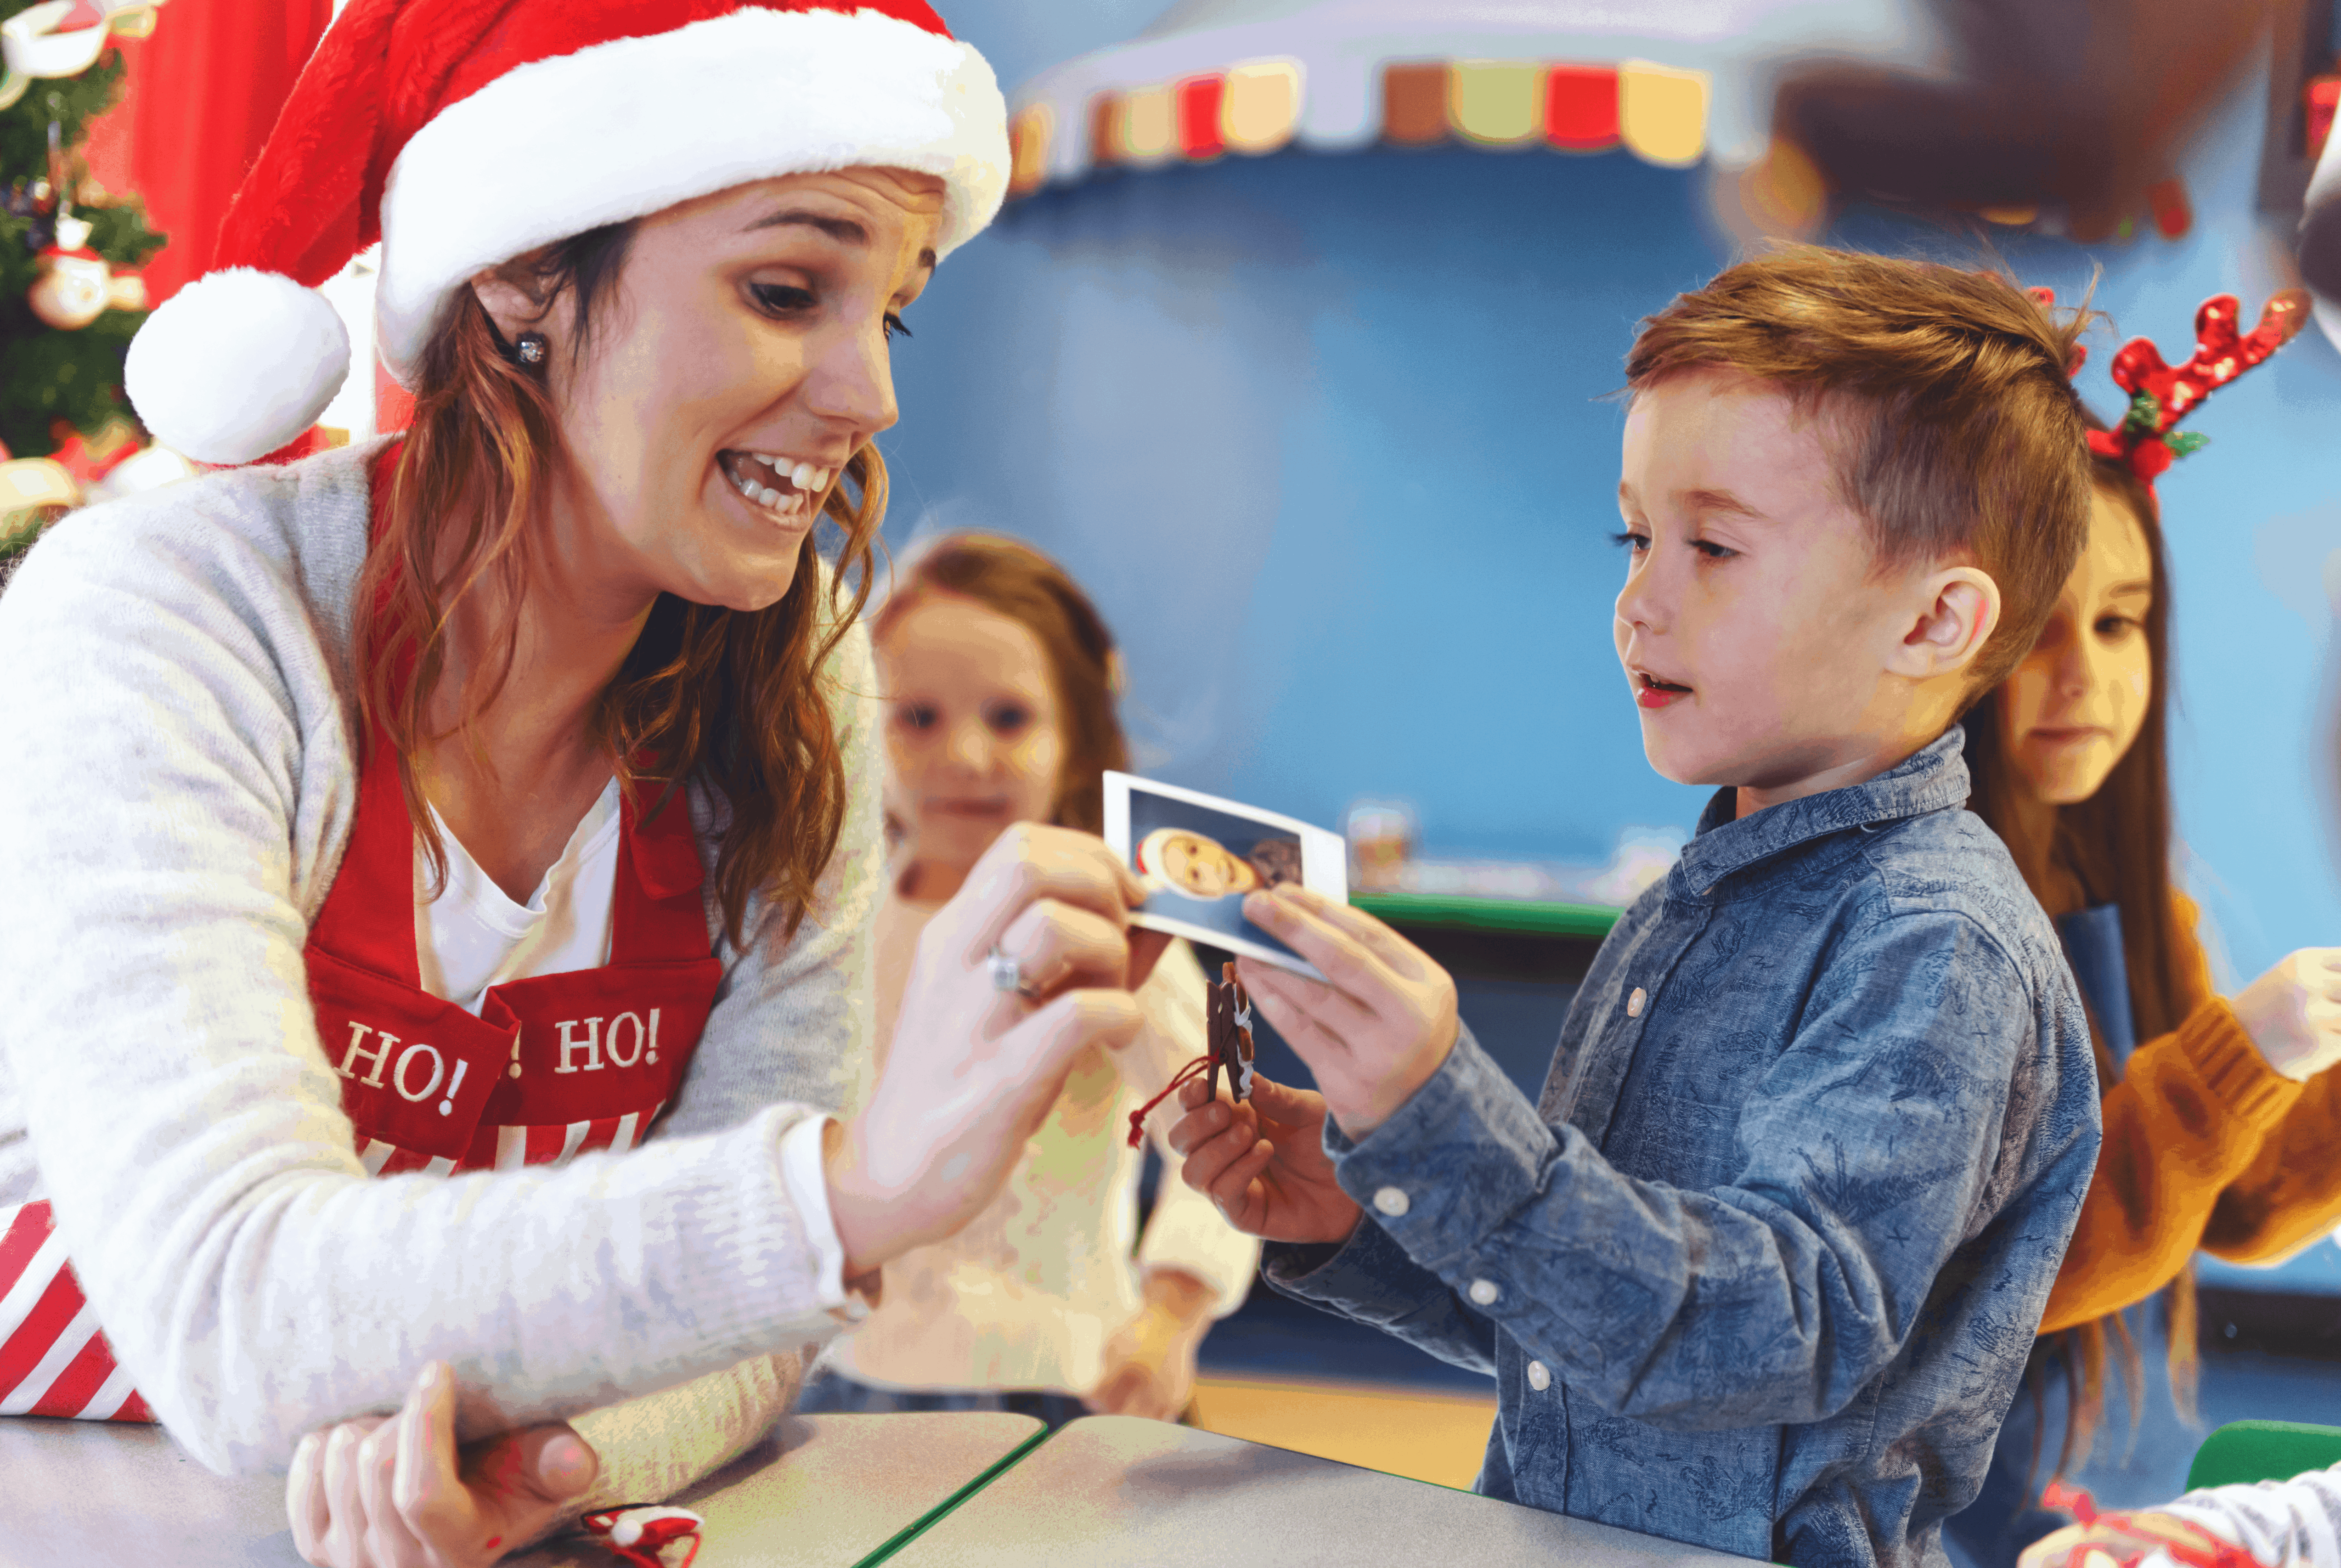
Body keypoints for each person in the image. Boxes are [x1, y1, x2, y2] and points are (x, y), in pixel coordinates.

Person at [0, 4, 1160, 1564]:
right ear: (521, 273)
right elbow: (230, 1308)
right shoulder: (172, 613)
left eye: (889, 313)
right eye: (782, 289)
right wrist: (848, 1194)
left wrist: (553, 1459)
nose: (868, 395)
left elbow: (746, 1328)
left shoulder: (798, 669)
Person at [1170, 248, 2106, 1568]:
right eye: (1638, 535)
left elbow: (1764, 1337)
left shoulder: (1935, 944)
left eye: (1714, 546)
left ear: (1936, 619)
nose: (1640, 599)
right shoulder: (1691, 900)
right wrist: (1367, 1206)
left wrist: (1452, 1127)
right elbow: (1598, 1339)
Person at [1941, 291, 2341, 1568]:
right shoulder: (1929, 923)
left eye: (2120, 623)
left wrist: (2302, 1068)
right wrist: (2236, 1056)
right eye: (2036, 631)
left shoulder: (2132, 897)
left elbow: (2228, 1205)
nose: (2089, 676)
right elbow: (1982, 1282)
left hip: (2053, 1473)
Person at [795, 532, 1258, 1428]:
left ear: (1076, 737)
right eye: (917, 717)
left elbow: (1229, 1138)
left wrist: (1169, 1318)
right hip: (838, 1388)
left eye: (1009, 719)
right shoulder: (830, 924)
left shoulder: (1114, 922)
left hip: (1065, 1391)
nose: (964, 758)